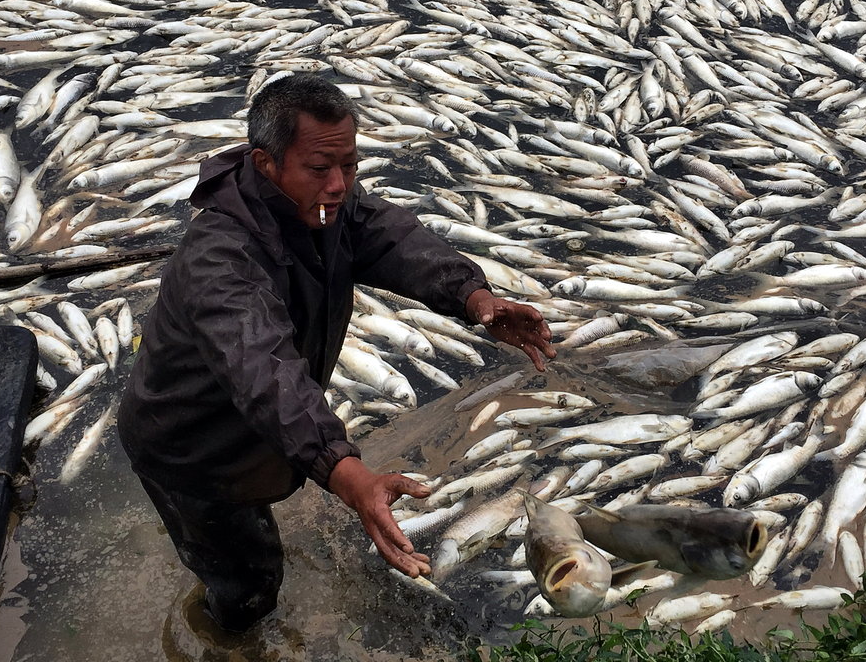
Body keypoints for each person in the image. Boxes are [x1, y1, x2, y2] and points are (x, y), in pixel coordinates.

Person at [118, 73, 556, 633]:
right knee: (248, 582)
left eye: (350, 165)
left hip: (252, 433)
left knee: (250, 517)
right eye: (321, 168)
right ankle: (220, 634)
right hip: (191, 449)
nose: (340, 184)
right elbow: (268, 375)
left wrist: (474, 297)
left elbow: (391, 239)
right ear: (265, 164)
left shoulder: (322, 207)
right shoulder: (220, 262)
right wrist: (348, 475)